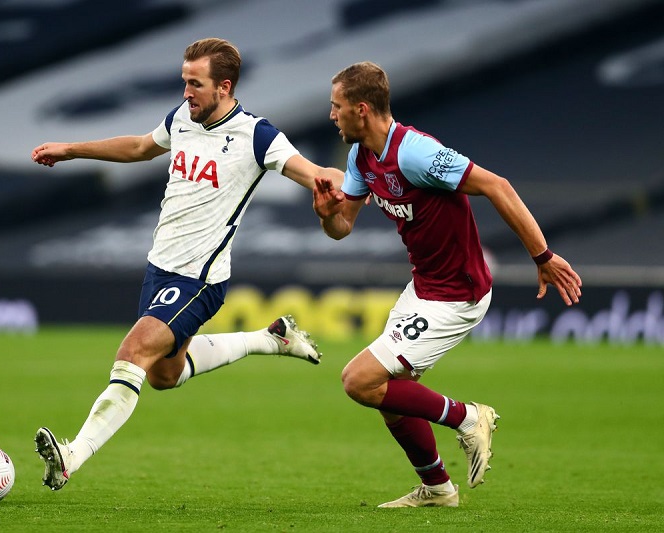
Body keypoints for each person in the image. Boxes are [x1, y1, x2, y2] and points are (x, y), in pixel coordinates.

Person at [30, 37, 343, 491]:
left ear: (224, 86)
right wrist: (72, 149)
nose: (186, 93)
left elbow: (314, 172)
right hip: (160, 269)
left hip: (200, 278)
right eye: (184, 82)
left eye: (195, 84)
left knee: (132, 352)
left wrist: (341, 186)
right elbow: (140, 147)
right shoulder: (183, 118)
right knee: (162, 374)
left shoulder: (258, 135)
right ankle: (269, 339)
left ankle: (72, 455)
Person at [312, 61, 582, 508]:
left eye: (336, 106)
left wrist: (543, 256)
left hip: (457, 294)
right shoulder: (361, 157)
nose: (331, 115)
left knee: (358, 380)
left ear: (361, 109)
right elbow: (343, 227)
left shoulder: (415, 153)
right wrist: (327, 215)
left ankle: (468, 417)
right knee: (392, 395)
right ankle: (438, 489)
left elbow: (498, 186)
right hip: (423, 287)